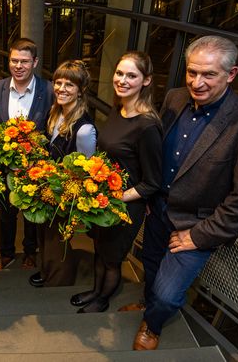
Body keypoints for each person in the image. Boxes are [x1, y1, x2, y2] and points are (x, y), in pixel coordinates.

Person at [125, 36, 238, 350]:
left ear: (231, 74)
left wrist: (199, 235)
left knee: (168, 294)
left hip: (196, 224)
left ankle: (153, 325)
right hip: (158, 210)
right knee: (150, 266)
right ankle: (148, 307)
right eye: (192, 72)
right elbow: (158, 153)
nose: (197, 82)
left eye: (209, 74)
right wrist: (150, 194)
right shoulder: (175, 97)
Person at [70, 52, 162, 313]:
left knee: (111, 259)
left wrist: (115, 197)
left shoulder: (147, 126)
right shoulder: (118, 109)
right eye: (119, 73)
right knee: (99, 248)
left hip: (124, 206)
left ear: (146, 81)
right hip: (105, 200)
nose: (122, 80)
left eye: (131, 76)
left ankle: (102, 300)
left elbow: (152, 182)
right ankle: (95, 291)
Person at [0, 38, 54, 271]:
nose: (18, 66)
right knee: (5, 214)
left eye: (24, 61)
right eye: (14, 60)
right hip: (3, 169)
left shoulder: (49, 90)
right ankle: (6, 253)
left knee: (32, 213)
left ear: (35, 62)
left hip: (35, 170)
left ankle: (31, 253)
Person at [29, 60, 97, 288]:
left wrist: (62, 192)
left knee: (57, 241)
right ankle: (47, 271)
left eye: (69, 84)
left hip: (65, 195)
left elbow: (84, 172)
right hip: (48, 190)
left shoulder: (84, 130)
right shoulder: (55, 113)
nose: (61, 89)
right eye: (58, 83)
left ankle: (57, 283)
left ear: (81, 90)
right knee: (44, 236)